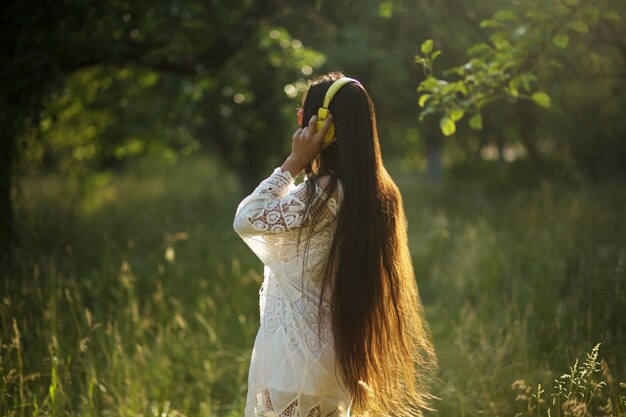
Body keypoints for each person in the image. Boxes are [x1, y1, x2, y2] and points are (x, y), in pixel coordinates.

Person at [233, 72, 437, 417]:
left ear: (323, 128)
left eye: (304, 119)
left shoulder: (321, 196)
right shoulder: (380, 193)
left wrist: (293, 162)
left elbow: (247, 218)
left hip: (295, 364)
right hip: (338, 360)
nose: (299, 127)